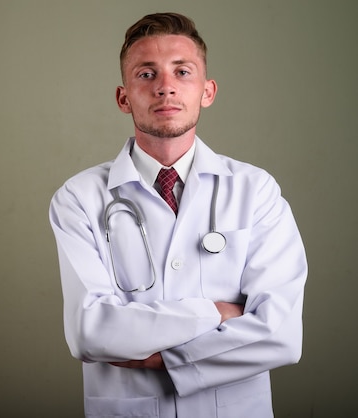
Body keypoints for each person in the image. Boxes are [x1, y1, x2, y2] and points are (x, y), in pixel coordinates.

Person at [49, 12, 307, 418]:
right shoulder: (79, 197)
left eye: (182, 72)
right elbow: (90, 331)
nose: (165, 87)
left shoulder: (255, 190)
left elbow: (282, 335)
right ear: (123, 97)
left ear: (207, 91)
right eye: (146, 74)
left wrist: (164, 359)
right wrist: (217, 313)